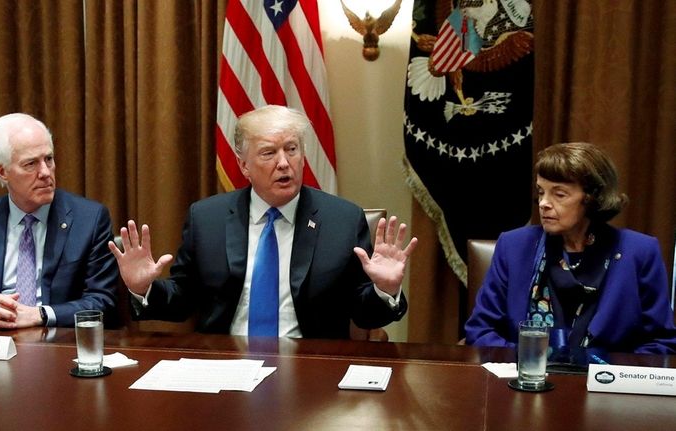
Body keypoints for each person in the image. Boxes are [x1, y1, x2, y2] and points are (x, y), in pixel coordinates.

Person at [109, 105, 418, 338]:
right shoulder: (207, 219)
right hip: (225, 363)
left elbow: (364, 314)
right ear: (244, 165)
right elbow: (183, 301)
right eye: (269, 153)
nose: (284, 163)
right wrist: (144, 288)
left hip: (311, 364)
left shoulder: (342, 220)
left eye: (292, 149)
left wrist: (385, 289)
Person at [465, 142, 676, 354]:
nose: (543, 203)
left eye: (559, 194)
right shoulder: (514, 246)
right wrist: (531, 361)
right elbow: (481, 331)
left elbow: (661, 342)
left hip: (605, 382)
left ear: (591, 198)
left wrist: (611, 374)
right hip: (526, 379)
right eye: (541, 192)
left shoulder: (639, 251)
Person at [0, 113, 118, 329]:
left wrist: (39, 315)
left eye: (49, 159)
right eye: (31, 164)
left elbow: (103, 302)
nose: (45, 172)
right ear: (2, 172)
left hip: (58, 344)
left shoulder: (89, 219)